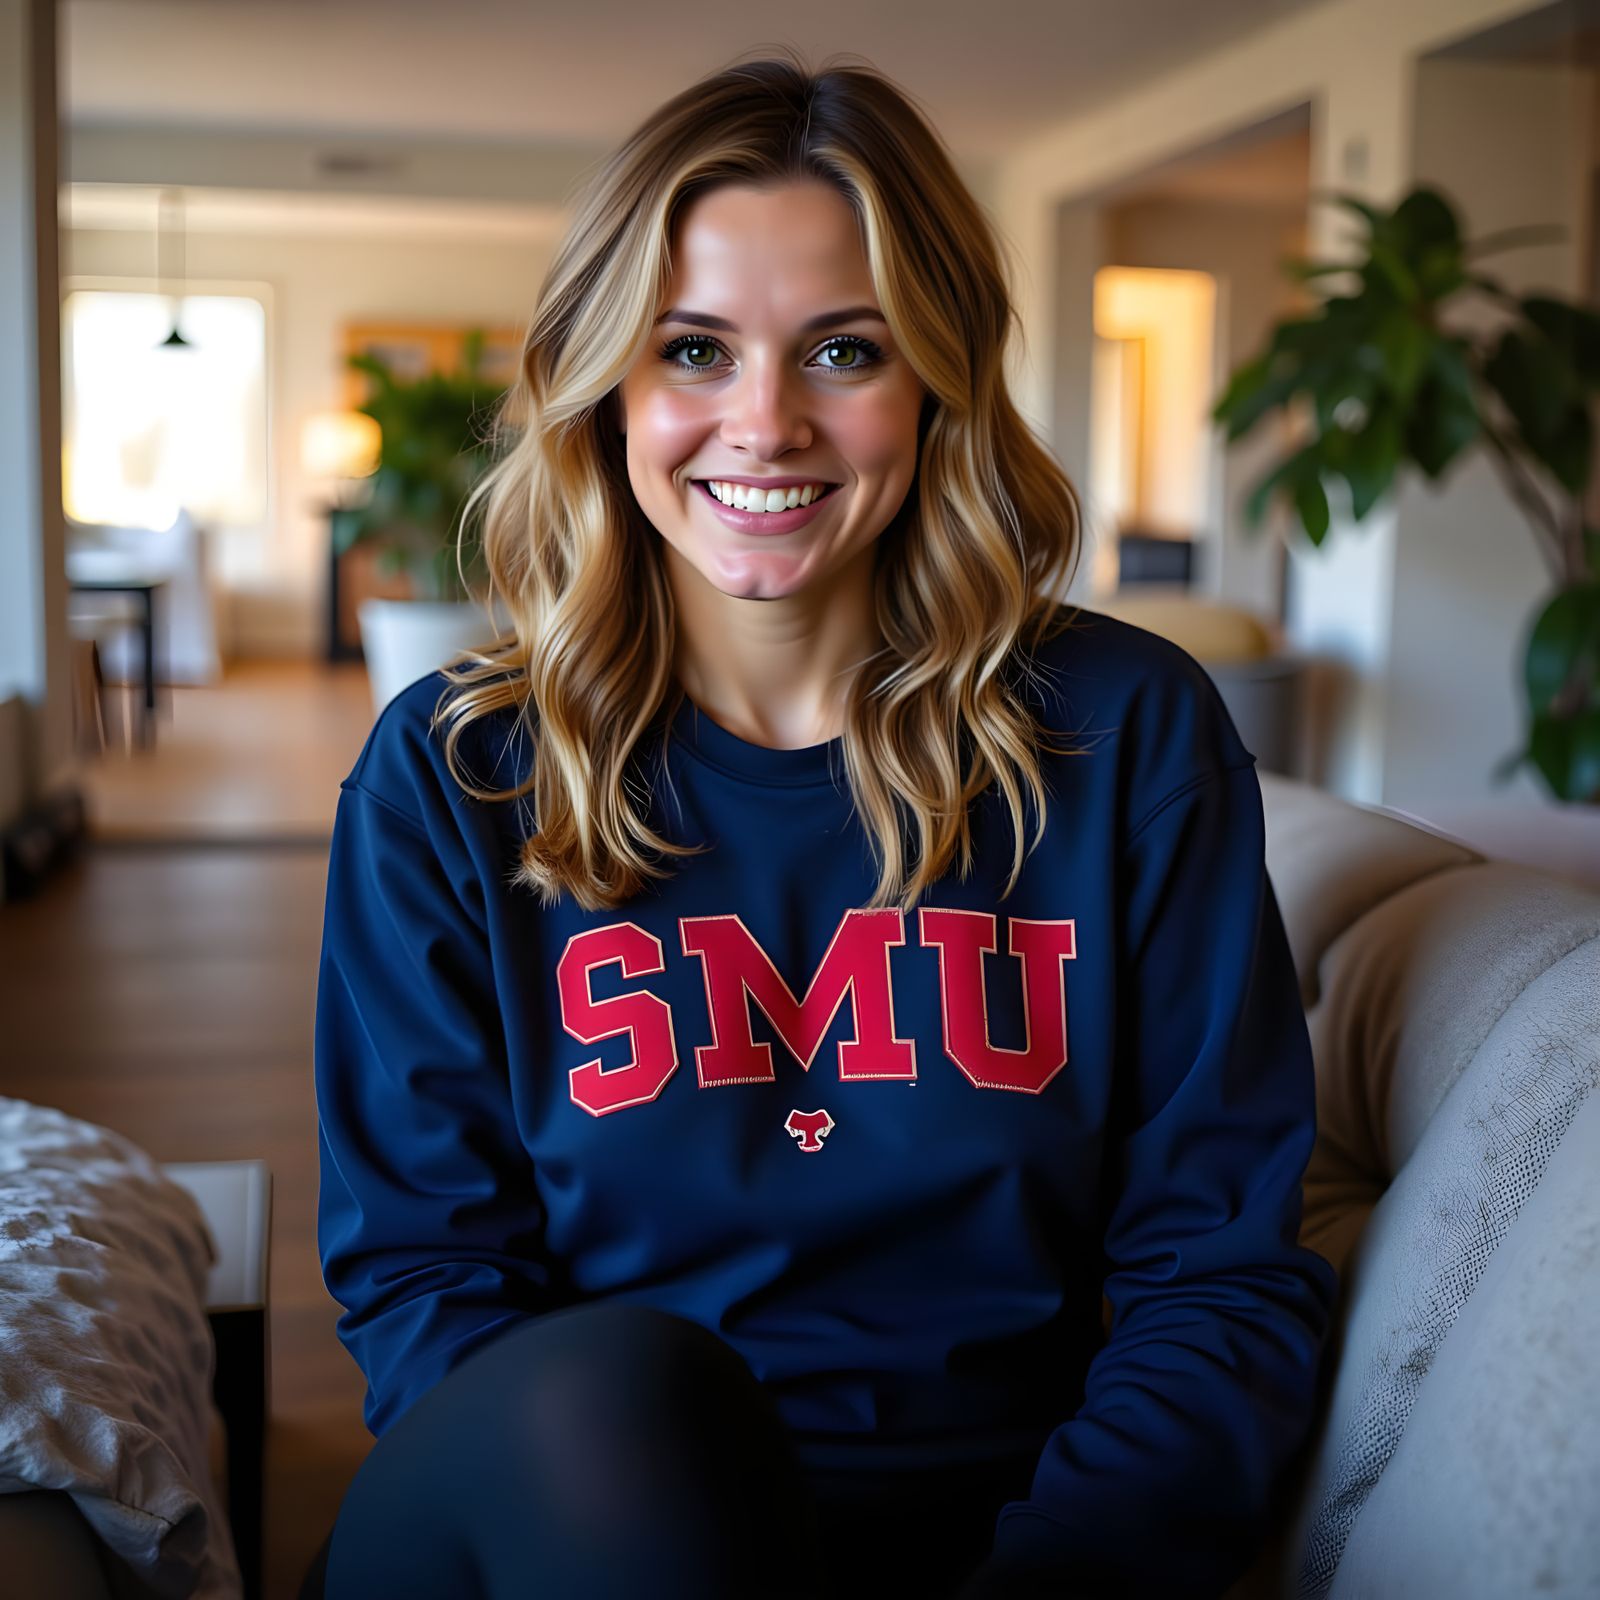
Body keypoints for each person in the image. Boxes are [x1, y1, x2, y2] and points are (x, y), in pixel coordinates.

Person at [305, 46, 1338, 1600]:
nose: (766, 421)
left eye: (844, 350)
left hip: (987, 1536)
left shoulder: (1128, 740)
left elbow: (1218, 1270)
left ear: (936, 381)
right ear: (605, 387)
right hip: (551, 1524)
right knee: (624, 1399)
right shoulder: (457, 772)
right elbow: (426, 1276)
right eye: (696, 351)